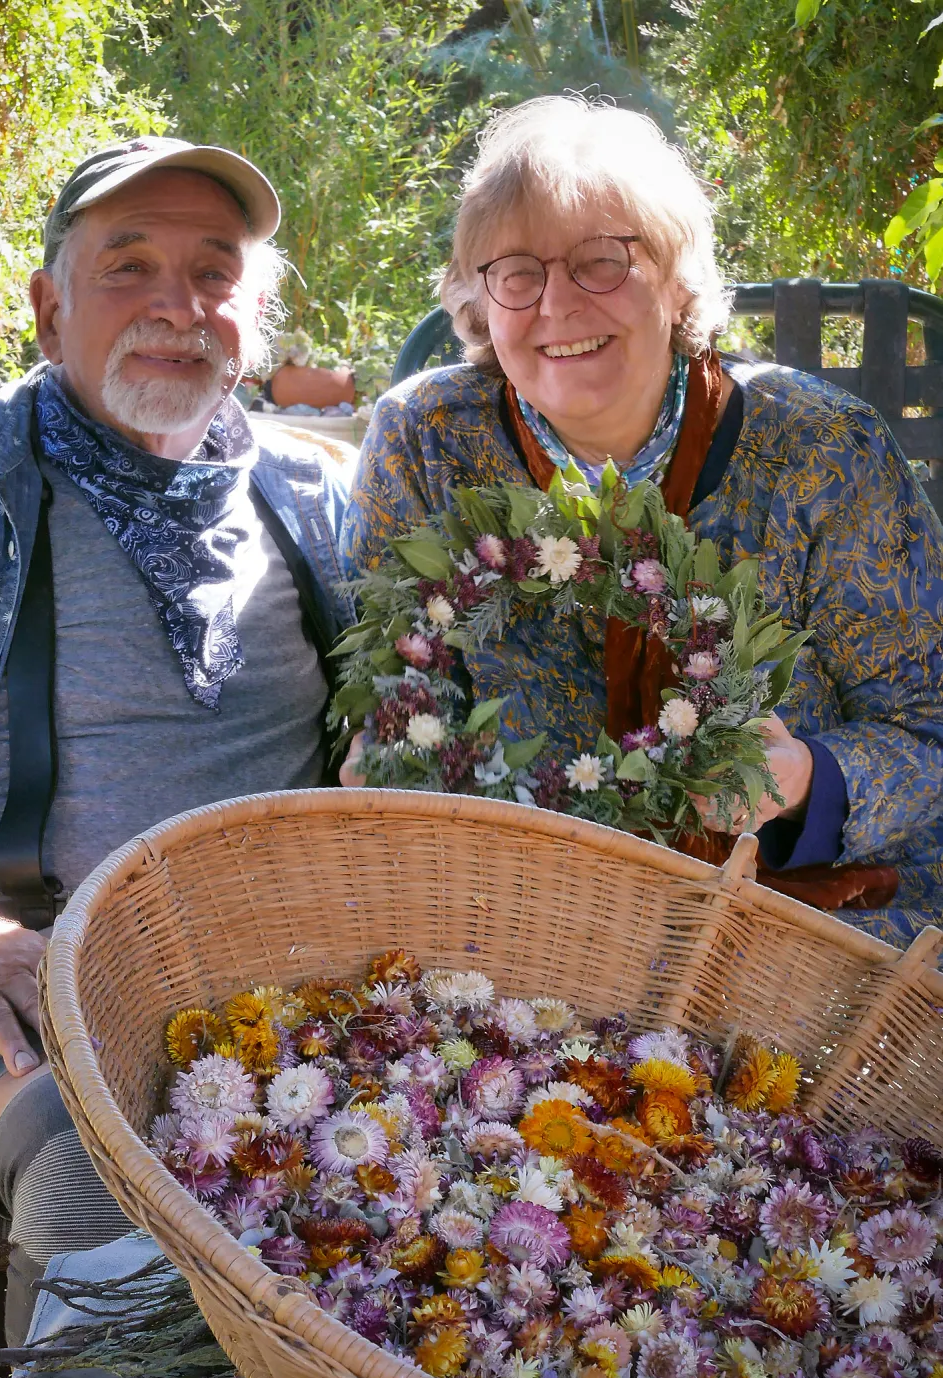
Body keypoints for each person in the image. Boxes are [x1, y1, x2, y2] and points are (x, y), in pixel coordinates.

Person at [0, 135, 353, 1353]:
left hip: (308, 998)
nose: (178, 305)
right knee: (98, 1184)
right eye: (129, 266)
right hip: (36, 1004)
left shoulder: (322, 502)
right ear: (47, 308)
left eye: (214, 271)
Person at [340, 95, 943, 948]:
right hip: (516, 918)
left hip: (792, 920)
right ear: (479, 299)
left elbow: (928, 727)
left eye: (601, 262)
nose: (556, 304)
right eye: (517, 272)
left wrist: (805, 775)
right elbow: (401, 680)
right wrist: (396, 747)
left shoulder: (819, 449)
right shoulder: (425, 439)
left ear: (676, 276)